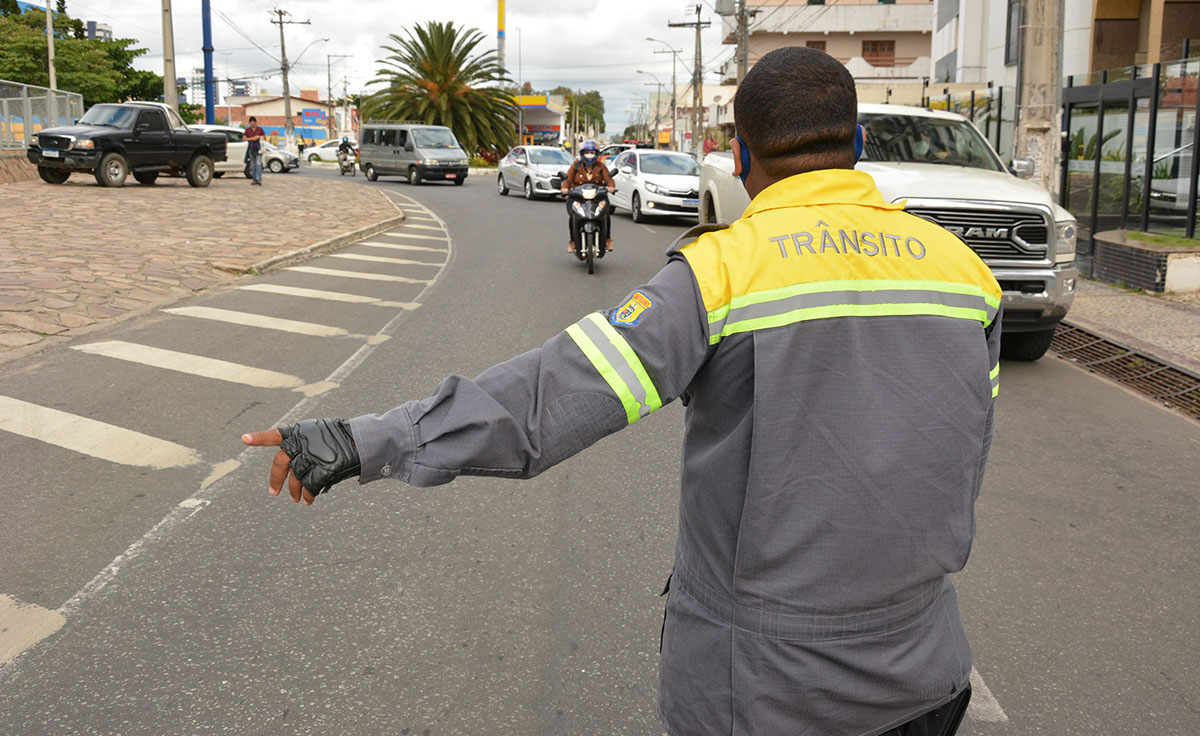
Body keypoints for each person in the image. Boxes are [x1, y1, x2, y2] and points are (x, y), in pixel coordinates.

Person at [243, 46, 1000, 736]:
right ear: (858, 145)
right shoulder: (964, 273)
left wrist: (370, 439)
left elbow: (552, 400)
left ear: (738, 157)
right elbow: (960, 449)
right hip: (926, 679)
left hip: (766, 694)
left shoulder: (721, 273)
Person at [559, 139, 616, 254]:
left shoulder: (601, 166)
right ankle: (573, 241)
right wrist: (564, 188)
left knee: (606, 213)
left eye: (592, 152)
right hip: (578, 197)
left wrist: (611, 187)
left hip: (597, 197)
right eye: (587, 152)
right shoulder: (576, 165)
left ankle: (607, 239)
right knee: (573, 215)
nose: (589, 155)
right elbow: (568, 179)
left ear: (596, 154)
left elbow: (608, 179)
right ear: (582, 153)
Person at [243, 116, 265, 186]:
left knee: (258, 164)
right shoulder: (247, 130)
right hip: (251, 149)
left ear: (256, 122)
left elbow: (264, 137)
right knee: (253, 165)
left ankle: (259, 179)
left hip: (258, 149)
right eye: (251, 123)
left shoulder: (260, 129)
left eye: (254, 123)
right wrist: (252, 139)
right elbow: (244, 138)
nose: (253, 124)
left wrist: (258, 137)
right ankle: (254, 179)